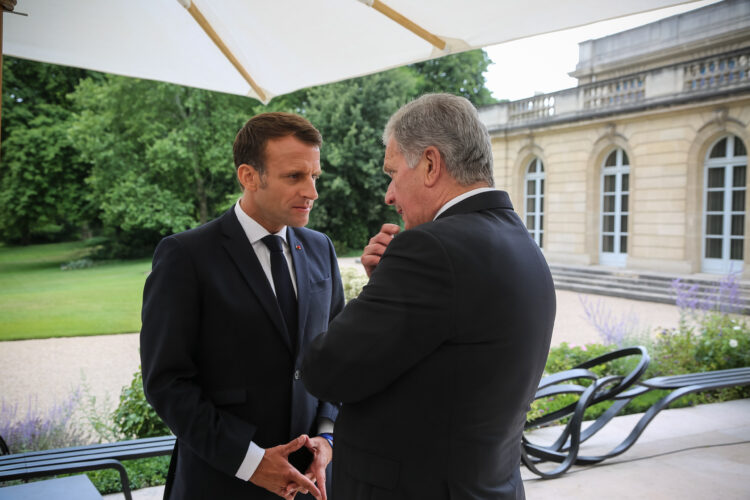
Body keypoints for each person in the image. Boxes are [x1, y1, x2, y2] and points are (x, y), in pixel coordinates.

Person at [301, 93, 556, 499]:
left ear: (432, 164)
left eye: (392, 172)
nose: (389, 194)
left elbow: (327, 369)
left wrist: (375, 290)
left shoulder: (430, 249)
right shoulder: (522, 245)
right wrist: (387, 285)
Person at [140, 112, 345, 500]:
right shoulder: (185, 256)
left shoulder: (321, 248)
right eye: (294, 176)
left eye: (314, 176)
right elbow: (167, 383)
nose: (312, 192)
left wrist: (328, 432)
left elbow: (335, 355)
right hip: (220, 483)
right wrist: (250, 461)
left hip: (311, 484)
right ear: (249, 176)